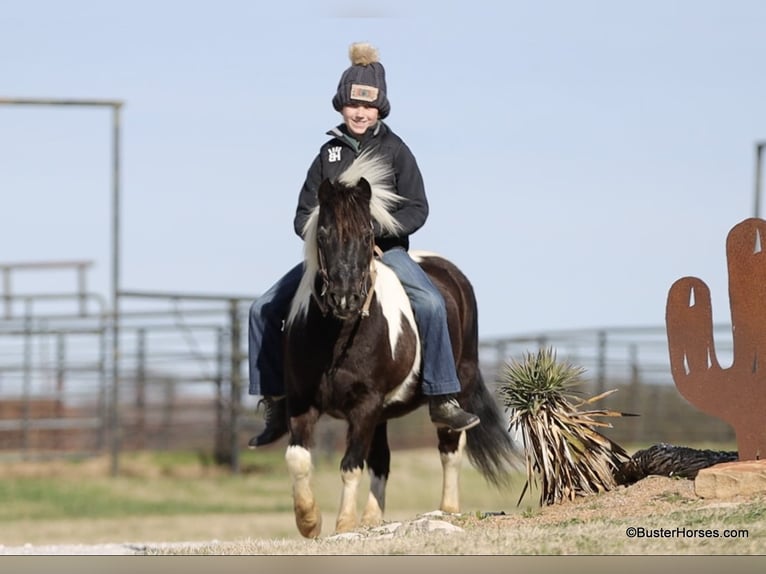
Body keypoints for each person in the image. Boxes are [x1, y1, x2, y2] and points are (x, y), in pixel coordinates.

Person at [248, 42, 479, 447]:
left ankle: (443, 395)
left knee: (431, 303)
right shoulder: (326, 154)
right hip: (331, 260)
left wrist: (376, 234)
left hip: (385, 253)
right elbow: (303, 215)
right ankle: (277, 400)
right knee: (261, 307)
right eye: (353, 105)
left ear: (380, 110)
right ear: (341, 106)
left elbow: (418, 208)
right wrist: (329, 240)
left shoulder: (395, 152)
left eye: (368, 107)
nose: (360, 113)